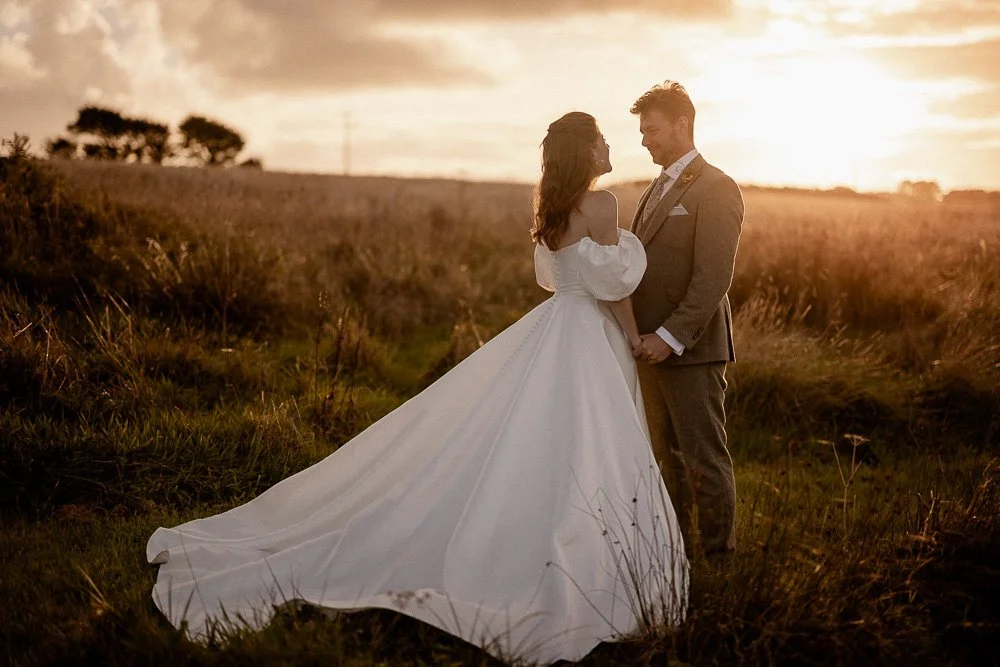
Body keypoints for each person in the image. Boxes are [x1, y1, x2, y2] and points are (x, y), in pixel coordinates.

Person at [146, 111, 688, 665]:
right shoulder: (602, 205)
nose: (609, 145)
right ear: (586, 152)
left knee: (536, 433)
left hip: (552, 326)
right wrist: (635, 338)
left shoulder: (551, 209)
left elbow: (562, 277)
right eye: (601, 139)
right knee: (590, 437)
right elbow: (614, 285)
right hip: (590, 334)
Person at [628, 81, 745, 556]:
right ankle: (678, 558)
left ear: (682, 125)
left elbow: (714, 278)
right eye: (640, 132)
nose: (644, 140)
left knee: (704, 461)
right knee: (665, 462)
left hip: (690, 352)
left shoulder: (717, 188)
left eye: (651, 129)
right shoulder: (656, 188)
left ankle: (719, 563)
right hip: (646, 353)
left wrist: (670, 337)